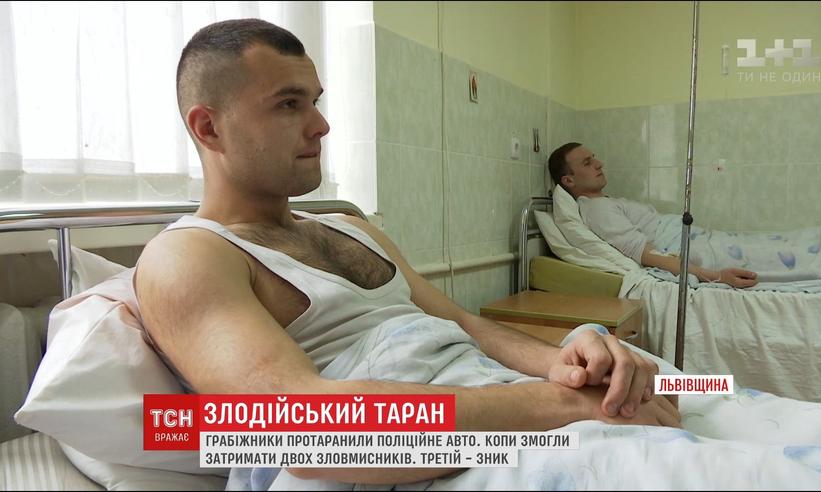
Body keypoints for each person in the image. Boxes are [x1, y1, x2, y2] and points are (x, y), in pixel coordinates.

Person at [133, 19, 679, 486]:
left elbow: (468, 325)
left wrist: (568, 364)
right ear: (208, 127)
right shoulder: (188, 256)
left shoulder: (352, 227)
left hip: (500, 401)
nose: (321, 125)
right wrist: (565, 405)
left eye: (315, 102)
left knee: (689, 406)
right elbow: (297, 427)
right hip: (427, 453)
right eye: (288, 104)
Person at [548, 142, 760, 288]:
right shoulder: (597, 210)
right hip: (690, 245)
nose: (599, 163)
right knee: (764, 255)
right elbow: (650, 256)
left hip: (695, 238)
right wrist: (718, 277)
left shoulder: (604, 203)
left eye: (593, 158)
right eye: (587, 163)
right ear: (568, 180)